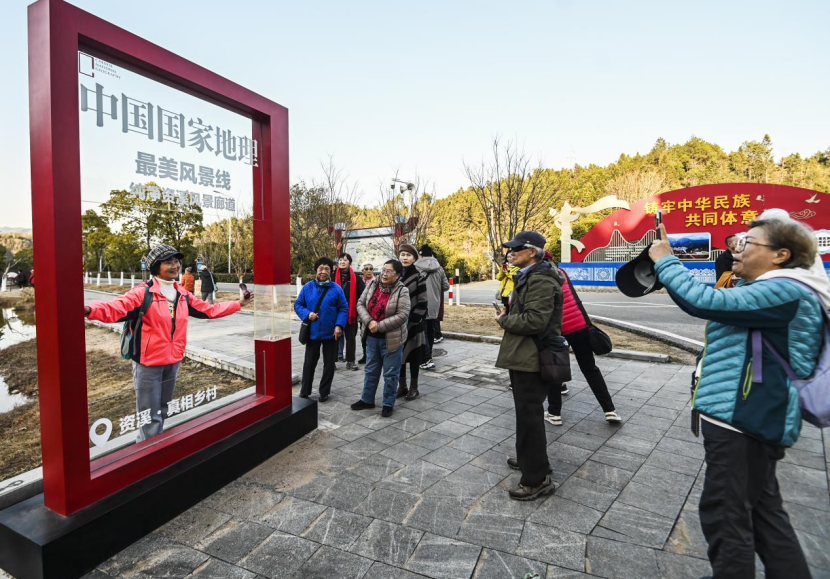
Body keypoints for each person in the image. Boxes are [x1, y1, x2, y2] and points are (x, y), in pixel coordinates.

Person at [649, 218, 825, 579]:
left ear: (781, 254)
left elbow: (702, 300)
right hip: (752, 415)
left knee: (726, 514)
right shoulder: (774, 288)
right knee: (764, 515)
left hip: (743, 417)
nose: (736, 249)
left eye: (748, 243)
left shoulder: (785, 290)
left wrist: (666, 260)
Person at [84, 244, 250, 441]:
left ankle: (157, 445)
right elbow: (115, 307)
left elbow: (208, 310)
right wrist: (89, 310)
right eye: (168, 262)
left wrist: (238, 304)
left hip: (173, 360)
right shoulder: (143, 293)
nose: (175, 266)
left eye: (176, 261)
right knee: (149, 415)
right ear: (156, 266)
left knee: (163, 409)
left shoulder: (182, 294)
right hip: (148, 363)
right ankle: (149, 451)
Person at [494, 231, 562, 501]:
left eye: (516, 249)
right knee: (526, 415)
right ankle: (530, 461)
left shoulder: (541, 279)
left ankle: (536, 479)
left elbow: (535, 321)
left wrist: (504, 320)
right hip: (525, 354)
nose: (511, 253)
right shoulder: (530, 275)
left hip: (532, 356)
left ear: (532, 252)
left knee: (530, 417)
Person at [545, 264, 621, 426]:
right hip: (580, 326)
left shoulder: (538, 276)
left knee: (555, 370)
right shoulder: (561, 272)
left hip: (559, 330)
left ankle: (554, 413)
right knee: (590, 368)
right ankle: (610, 410)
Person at [351, 260, 410, 418]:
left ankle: (388, 404)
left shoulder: (402, 290)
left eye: (389, 271)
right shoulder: (372, 284)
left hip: (392, 339)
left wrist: (379, 326)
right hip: (371, 337)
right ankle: (367, 400)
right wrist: (370, 322)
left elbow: (403, 315)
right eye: (383, 270)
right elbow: (360, 304)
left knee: (390, 374)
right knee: (371, 370)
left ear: (397, 275)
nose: (384, 274)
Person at [294, 257, 348, 401]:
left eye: (327, 269)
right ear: (316, 270)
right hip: (313, 333)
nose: (323, 272)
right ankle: (305, 391)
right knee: (309, 363)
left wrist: (339, 325)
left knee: (329, 364)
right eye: (320, 269)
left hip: (331, 333)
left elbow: (343, 308)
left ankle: (324, 392)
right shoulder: (308, 287)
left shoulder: (336, 289)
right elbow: (298, 305)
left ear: (331, 271)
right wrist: (307, 314)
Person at [396, 244, 429, 400]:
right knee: (399, 356)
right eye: (402, 254)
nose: (405, 258)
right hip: (397, 324)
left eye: (408, 255)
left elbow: (423, 303)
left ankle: (414, 387)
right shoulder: (395, 275)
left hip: (414, 323)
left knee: (414, 355)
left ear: (414, 258)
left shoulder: (419, 276)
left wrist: (413, 321)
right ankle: (402, 386)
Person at [415, 245, 449, 370]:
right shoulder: (439, 268)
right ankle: (428, 357)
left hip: (420, 304)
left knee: (422, 332)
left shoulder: (416, 267)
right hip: (434, 305)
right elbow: (446, 286)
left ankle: (425, 359)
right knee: (430, 331)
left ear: (420, 255)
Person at [334, 253, 365, 370]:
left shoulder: (356, 278)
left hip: (350, 313)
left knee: (350, 338)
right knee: (334, 337)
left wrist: (357, 309)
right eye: (340, 260)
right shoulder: (332, 276)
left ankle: (350, 361)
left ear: (349, 263)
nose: (342, 262)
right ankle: (332, 361)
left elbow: (363, 295)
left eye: (345, 260)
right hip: (335, 313)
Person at [357, 262, 375, 364]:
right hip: (362, 313)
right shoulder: (359, 281)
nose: (369, 271)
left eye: (371, 268)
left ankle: (373, 356)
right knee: (363, 335)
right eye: (366, 269)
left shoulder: (376, 281)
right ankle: (365, 355)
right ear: (362, 271)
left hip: (373, 313)